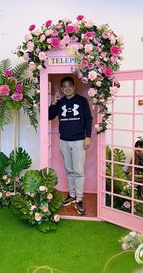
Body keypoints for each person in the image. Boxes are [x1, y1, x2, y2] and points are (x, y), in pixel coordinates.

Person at [48, 76, 92, 215]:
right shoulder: (60, 103)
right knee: (69, 169)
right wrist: (54, 102)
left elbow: (88, 119)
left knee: (78, 171)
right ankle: (71, 195)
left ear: (74, 86)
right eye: (64, 86)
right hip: (64, 140)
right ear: (62, 89)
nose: (67, 88)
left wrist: (88, 137)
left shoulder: (82, 101)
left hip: (79, 140)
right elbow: (49, 116)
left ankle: (79, 199)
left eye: (69, 86)